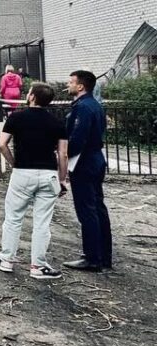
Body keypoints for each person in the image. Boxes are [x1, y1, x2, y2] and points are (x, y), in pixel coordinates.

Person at [0, 82, 67, 279]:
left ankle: (6, 259)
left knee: (13, 218)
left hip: (23, 172)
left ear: (32, 97)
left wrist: (14, 162)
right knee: (42, 222)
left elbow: (2, 145)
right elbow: (63, 154)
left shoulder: (16, 117)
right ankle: (38, 266)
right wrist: (62, 180)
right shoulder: (57, 122)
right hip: (48, 174)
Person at [63, 70, 111, 272]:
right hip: (96, 159)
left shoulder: (82, 108)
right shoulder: (95, 105)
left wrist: (62, 157)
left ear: (80, 86)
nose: (68, 84)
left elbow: (77, 139)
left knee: (87, 210)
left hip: (84, 162)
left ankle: (92, 257)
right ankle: (104, 255)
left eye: (71, 81)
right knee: (98, 207)